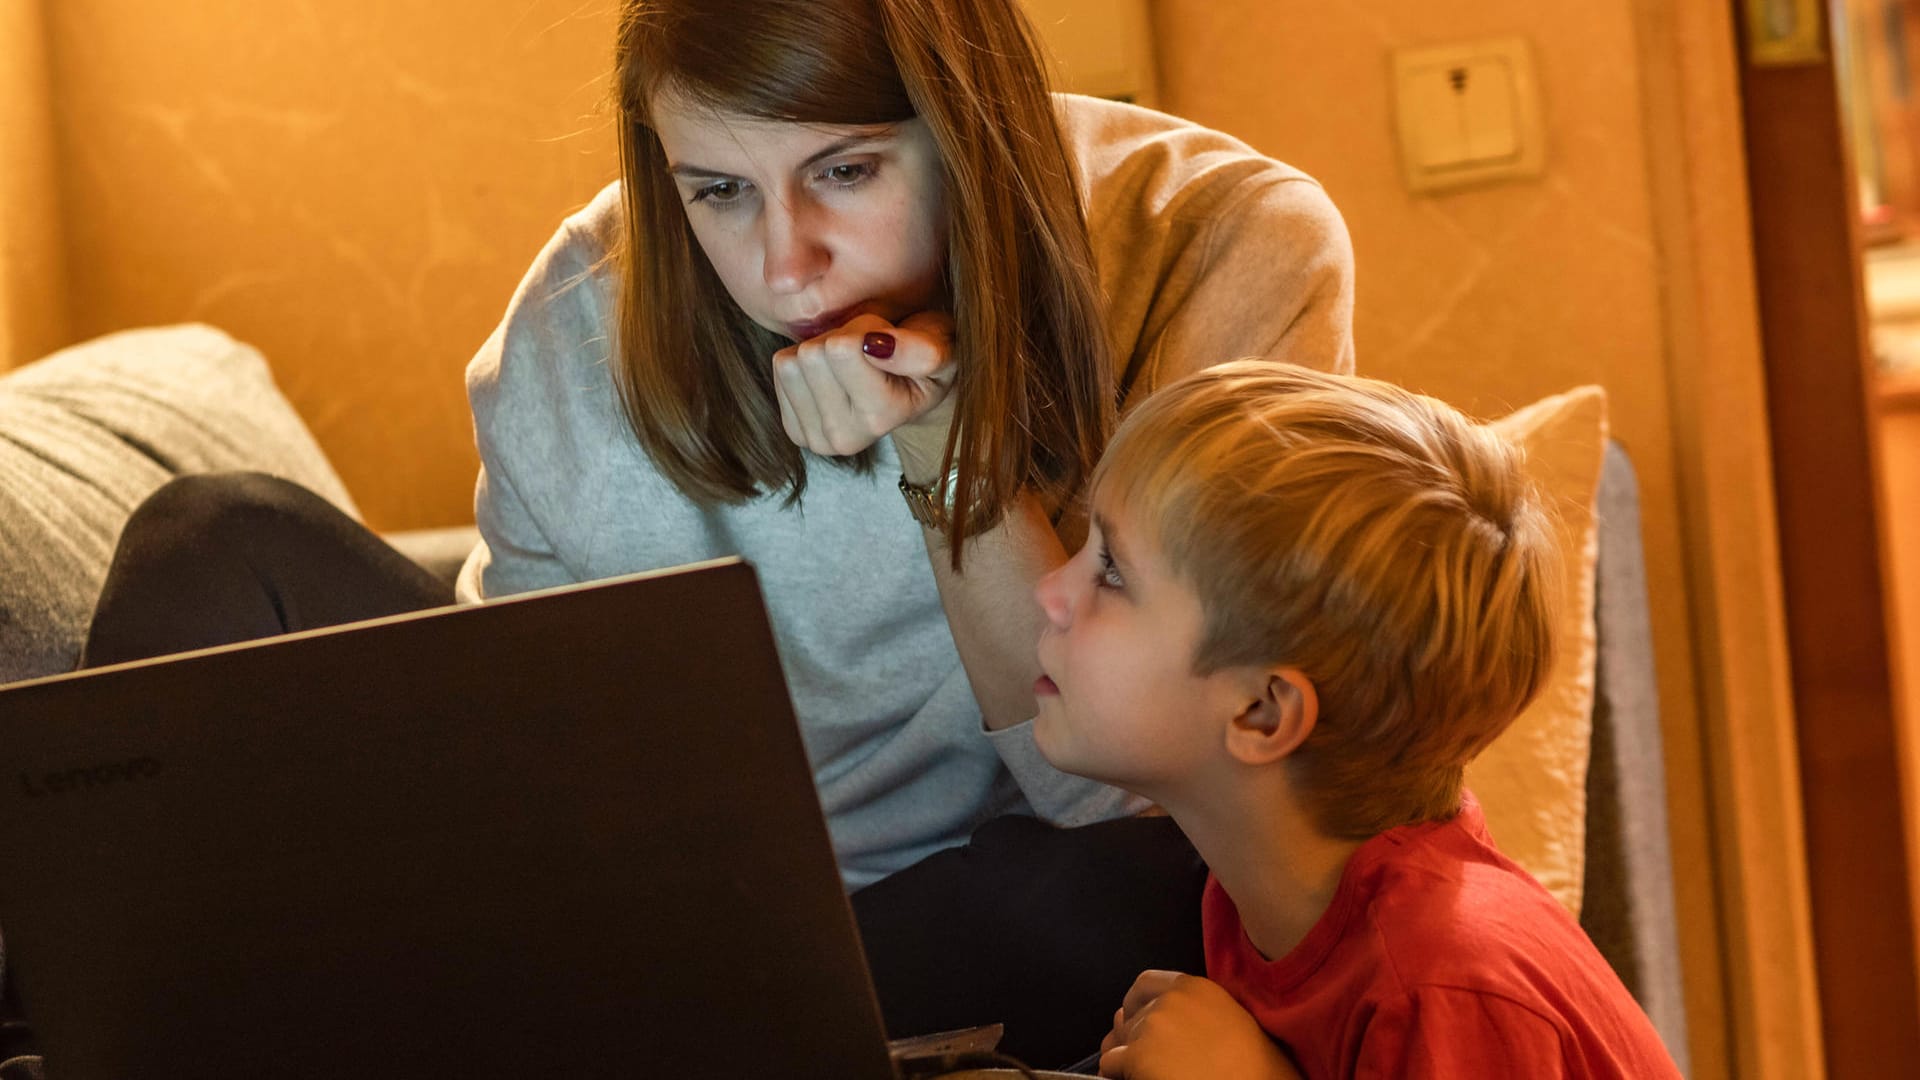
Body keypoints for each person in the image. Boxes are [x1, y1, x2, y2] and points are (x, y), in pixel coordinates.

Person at [76, 0, 1353, 1065]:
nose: (787, 267)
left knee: (1152, 894)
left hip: (956, 919)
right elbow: (516, 746)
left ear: (969, 132)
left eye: (845, 170)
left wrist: (949, 452)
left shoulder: (1222, 244)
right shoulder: (579, 321)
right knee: (212, 537)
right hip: (632, 929)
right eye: (719, 191)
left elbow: (1130, 795)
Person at [1028, 360, 1683, 1077]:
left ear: (1263, 712)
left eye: (1113, 571)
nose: (1051, 592)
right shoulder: (1257, 905)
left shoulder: (1451, 985)